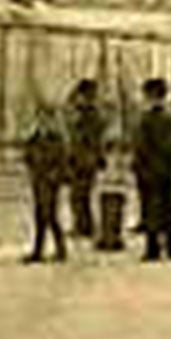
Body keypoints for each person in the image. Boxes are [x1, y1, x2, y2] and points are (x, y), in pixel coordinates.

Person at [130, 76, 171, 261]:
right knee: (170, 209)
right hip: (170, 170)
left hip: (150, 171)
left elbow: (141, 147)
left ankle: (153, 249)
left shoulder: (146, 119)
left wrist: (137, 166)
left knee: (151, 210)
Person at [22, 102, 70, 263]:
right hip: (38, 180)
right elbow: (27, 156)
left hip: (50, 182)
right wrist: (32, 170)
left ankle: (60, 249)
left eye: (47, 119)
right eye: (41, 118)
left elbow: (63, 162)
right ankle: (38, 250)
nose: (44, 122)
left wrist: (55, 175)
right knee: (39, 216)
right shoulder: (34, 138)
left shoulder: (57, 139)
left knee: (50, 215)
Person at [66, 78, 107, 238]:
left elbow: (86, 138)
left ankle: (84, 226)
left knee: (79, 195)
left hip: (84, 158)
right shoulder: (91, 112)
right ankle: (84, 225)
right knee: (81, 194)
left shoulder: (89, 114)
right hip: (85, 157)